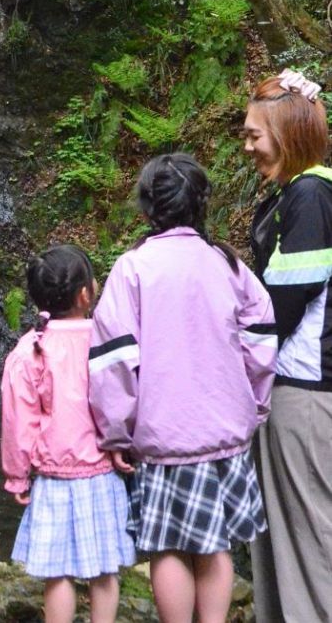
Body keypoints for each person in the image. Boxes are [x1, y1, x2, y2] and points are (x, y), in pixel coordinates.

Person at [88, 153, 277, 623]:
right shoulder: (228, 265)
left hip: (162, 435)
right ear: (201, 206)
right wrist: (254, 404)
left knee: (168, 545)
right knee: (216, 543)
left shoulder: (132, 269)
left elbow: (114, 362)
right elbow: (262, 340)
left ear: (147, 209)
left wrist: (116, 432)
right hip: (226, 433)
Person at [1, 244, 135, 623]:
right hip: (101, 471)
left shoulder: (30, 350)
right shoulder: (104, 339)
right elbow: (123, 395)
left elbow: (17, 420)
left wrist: (16, 475)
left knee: (57, 574)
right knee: (104, 571)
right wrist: (124, 442)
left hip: (53, 477)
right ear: (85, 294)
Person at [244, 68, 332, 623]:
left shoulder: (310, 196)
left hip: (302, 393)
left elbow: (284, 304)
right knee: (282, 538)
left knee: (310, 541)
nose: (247, 145)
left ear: (288, 132)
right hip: (289, 389)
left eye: (255, 134)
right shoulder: (298, 194)